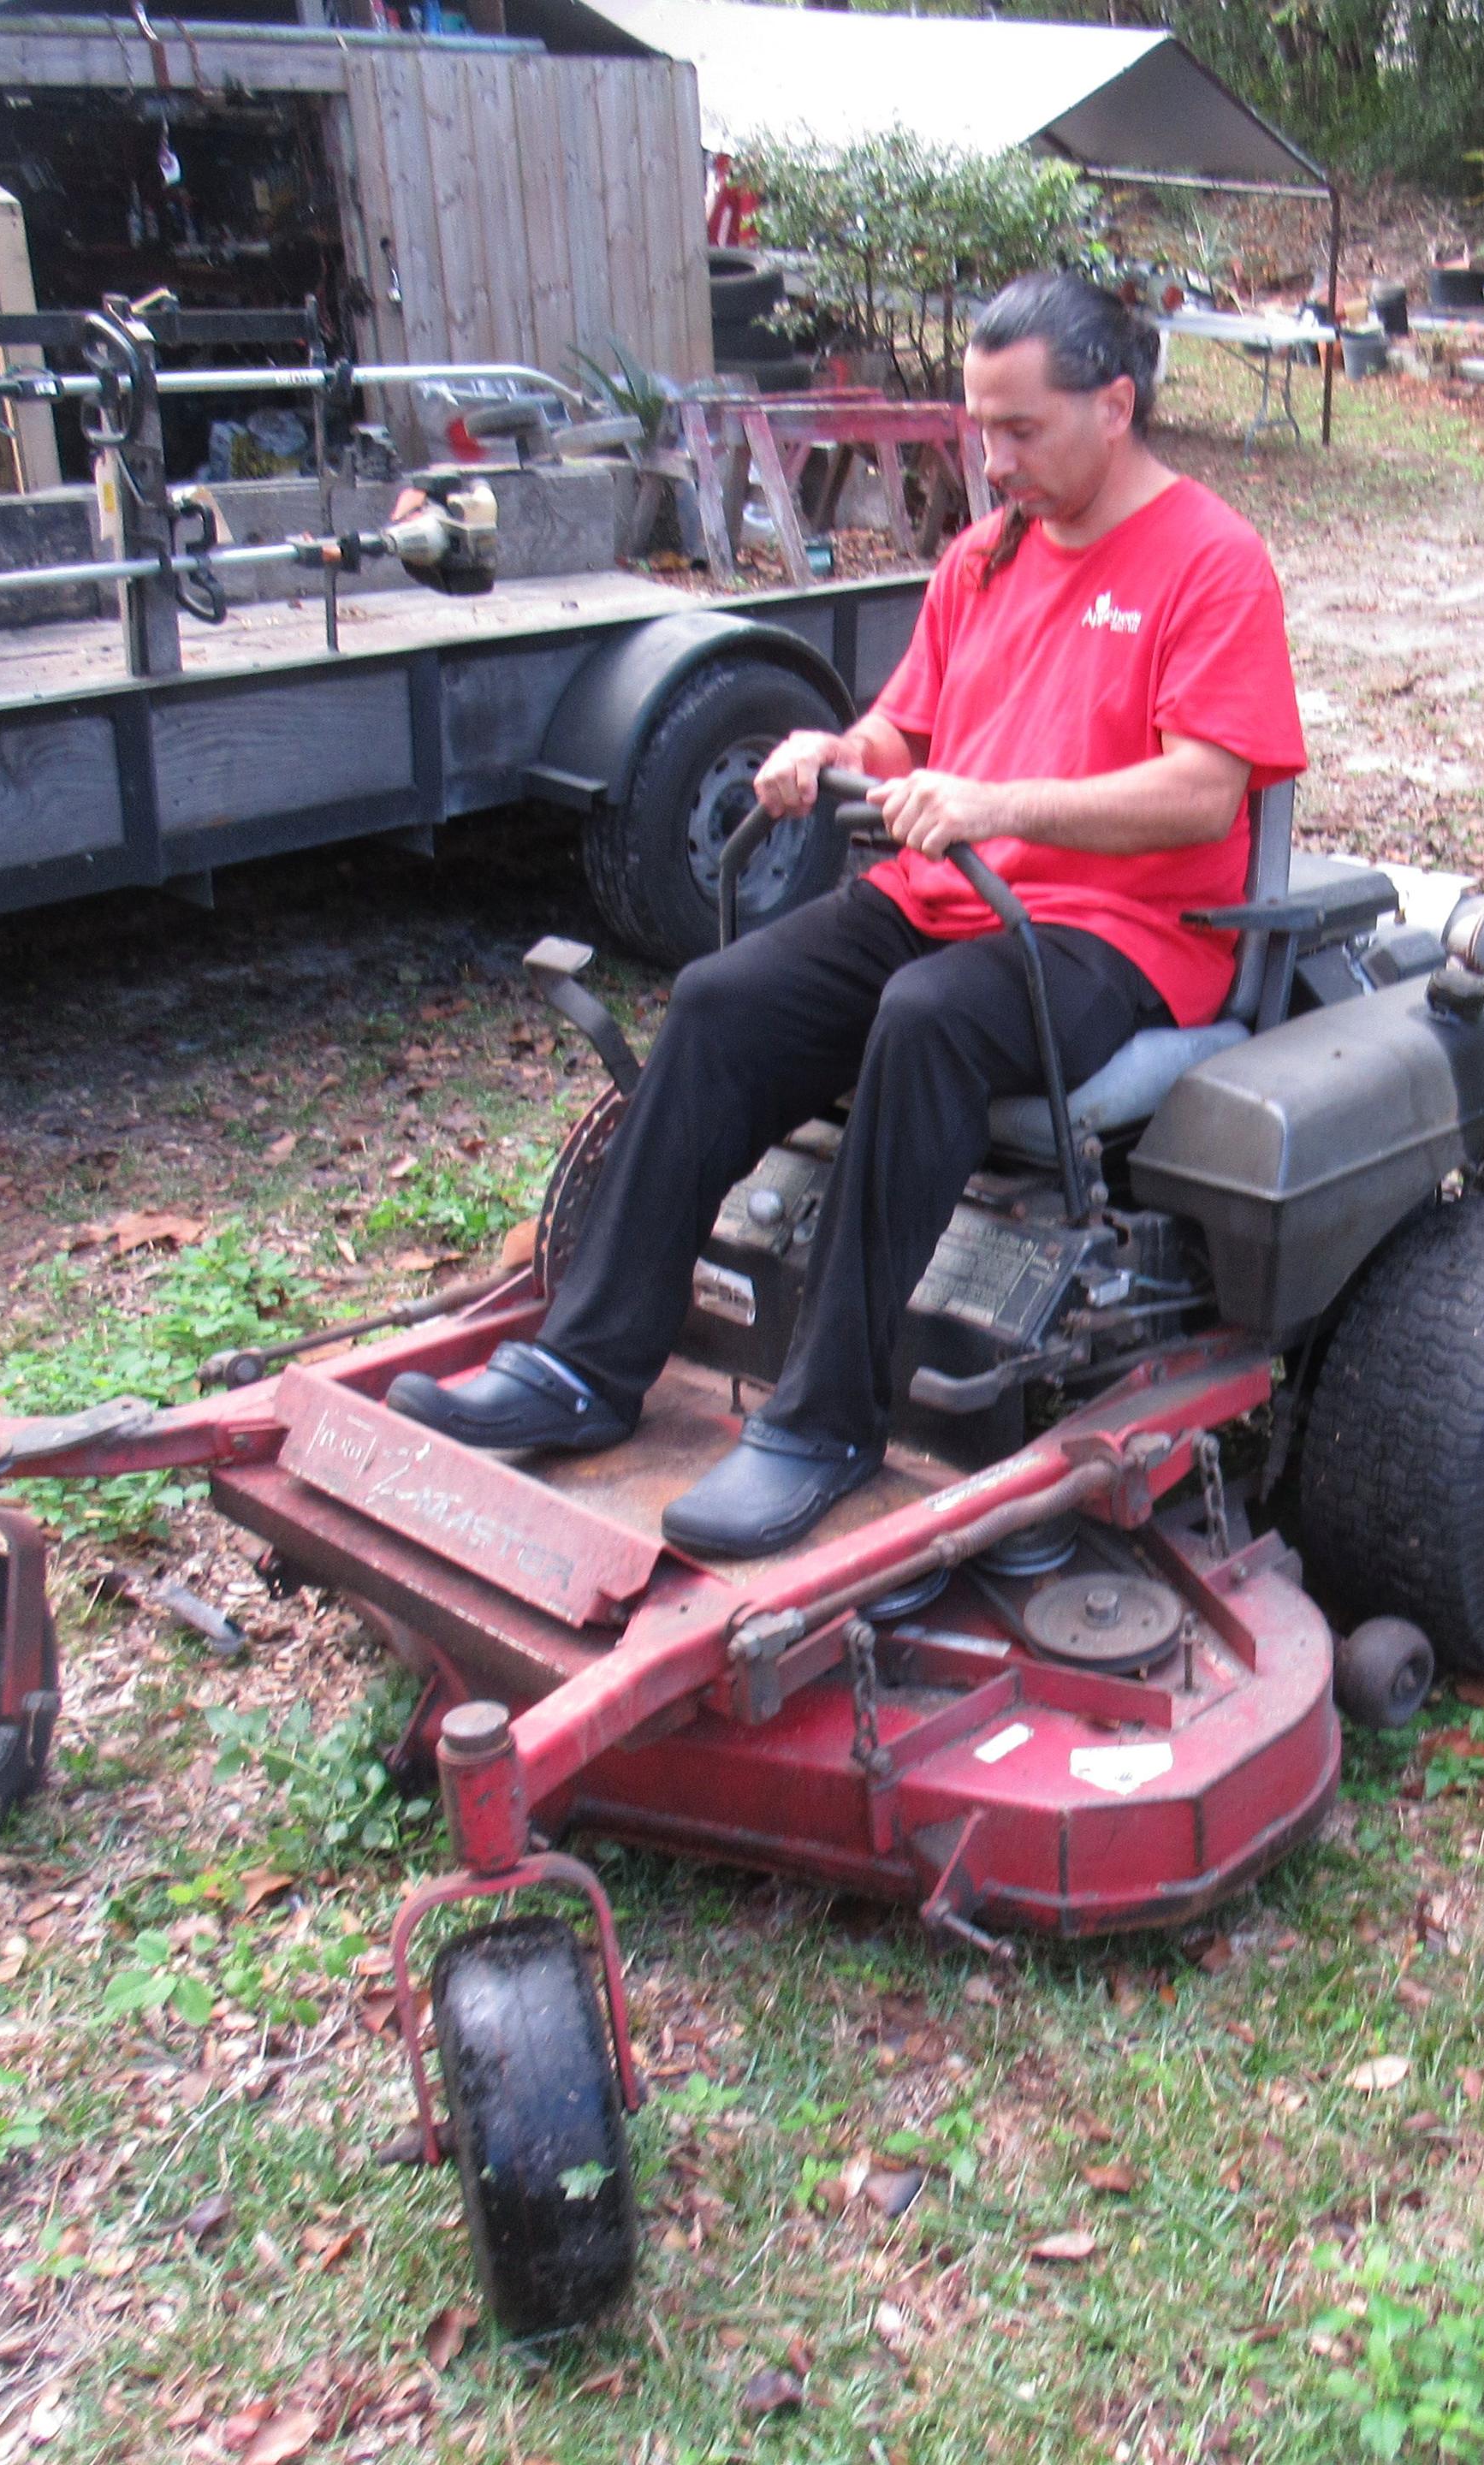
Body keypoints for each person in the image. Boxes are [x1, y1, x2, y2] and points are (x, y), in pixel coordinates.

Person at [388, 270, 1309, 1559]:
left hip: (1121, 934)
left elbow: (1206, 792)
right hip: (947, 895)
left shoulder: (1210, 561)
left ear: (1116, 404)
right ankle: (587, 1365)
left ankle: (824, 1424)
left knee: (928, 1021)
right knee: (718, 1001)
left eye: (1023, 430)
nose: (994, 461)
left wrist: (998, 804)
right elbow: (907, 726)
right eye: (982, 427)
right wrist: (836, 746)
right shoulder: (984, 558)